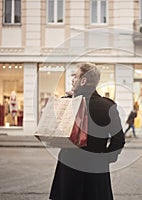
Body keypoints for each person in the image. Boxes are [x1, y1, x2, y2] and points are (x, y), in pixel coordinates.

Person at [49, 63, 125, 200]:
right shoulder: (107, 106)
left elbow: (53, 131)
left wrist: (67, 100)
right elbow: (119, 139)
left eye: (75, 76)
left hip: (69, 168)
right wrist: (106, 158)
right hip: (96, 169)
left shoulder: (67, 104)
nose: (73, 80)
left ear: (83, 81)